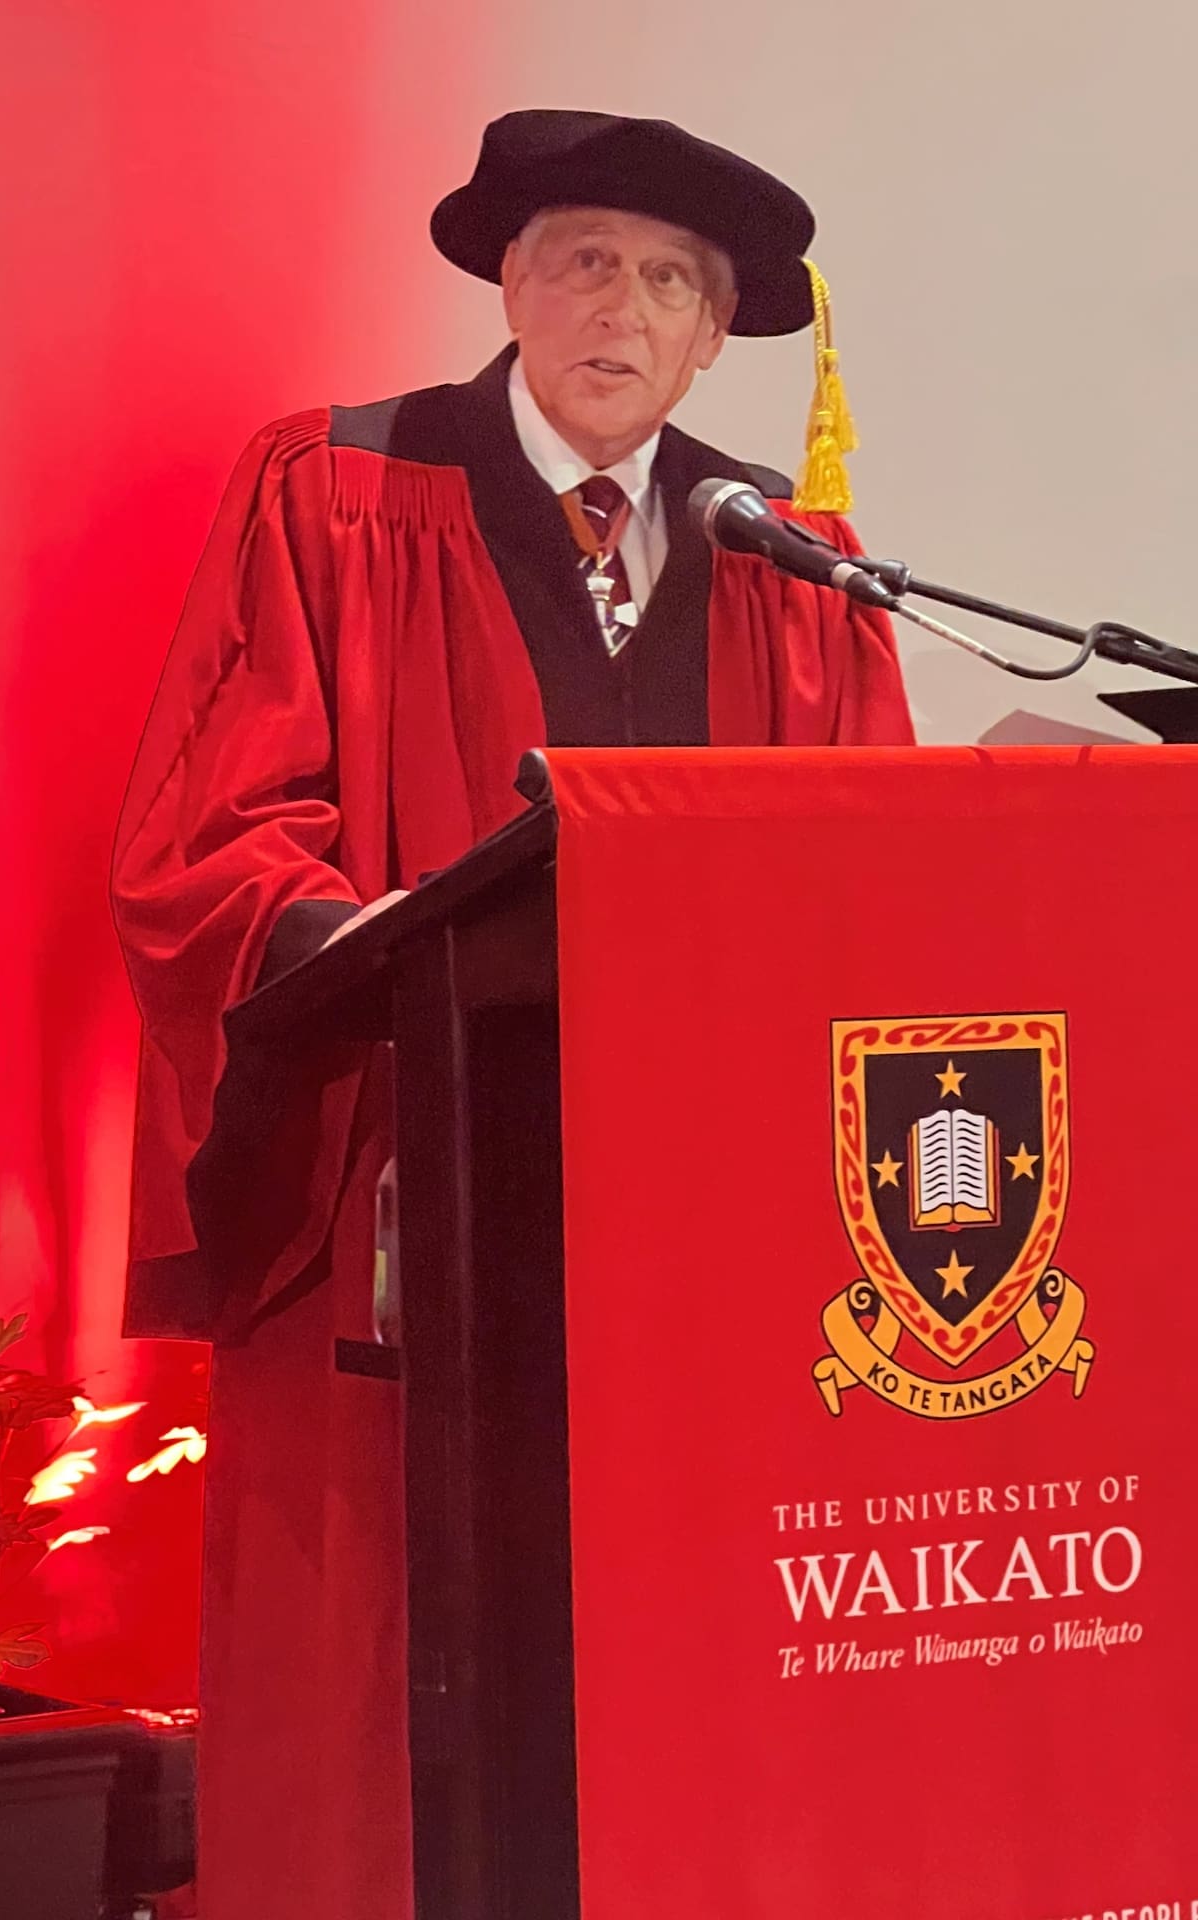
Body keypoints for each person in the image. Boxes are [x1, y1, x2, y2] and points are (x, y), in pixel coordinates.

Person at [112, 109, 914, 1920]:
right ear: (509, 281)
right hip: (415, 1176)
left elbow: (870, 879)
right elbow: (209, 841)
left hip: (705, 1238)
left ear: (716, 337)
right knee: (407, 1731)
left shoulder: (793, 560)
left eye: (667, 281)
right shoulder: (335, 489)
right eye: (580, 259)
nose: (617, 305)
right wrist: (384, 943)